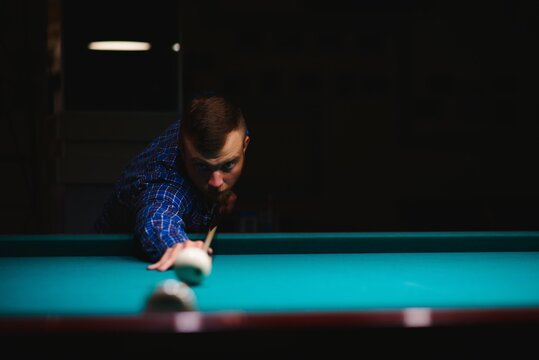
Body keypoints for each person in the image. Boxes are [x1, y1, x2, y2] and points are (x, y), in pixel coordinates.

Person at [95, 95, 250, 271]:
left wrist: (219, 197)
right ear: (183, 150)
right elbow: (157, 214)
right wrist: (178, 245)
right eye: (201, 166)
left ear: (244, 145)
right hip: (110, 257)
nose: (216, 182)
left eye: (228, 165)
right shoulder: (167, 181)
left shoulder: (229, 132)